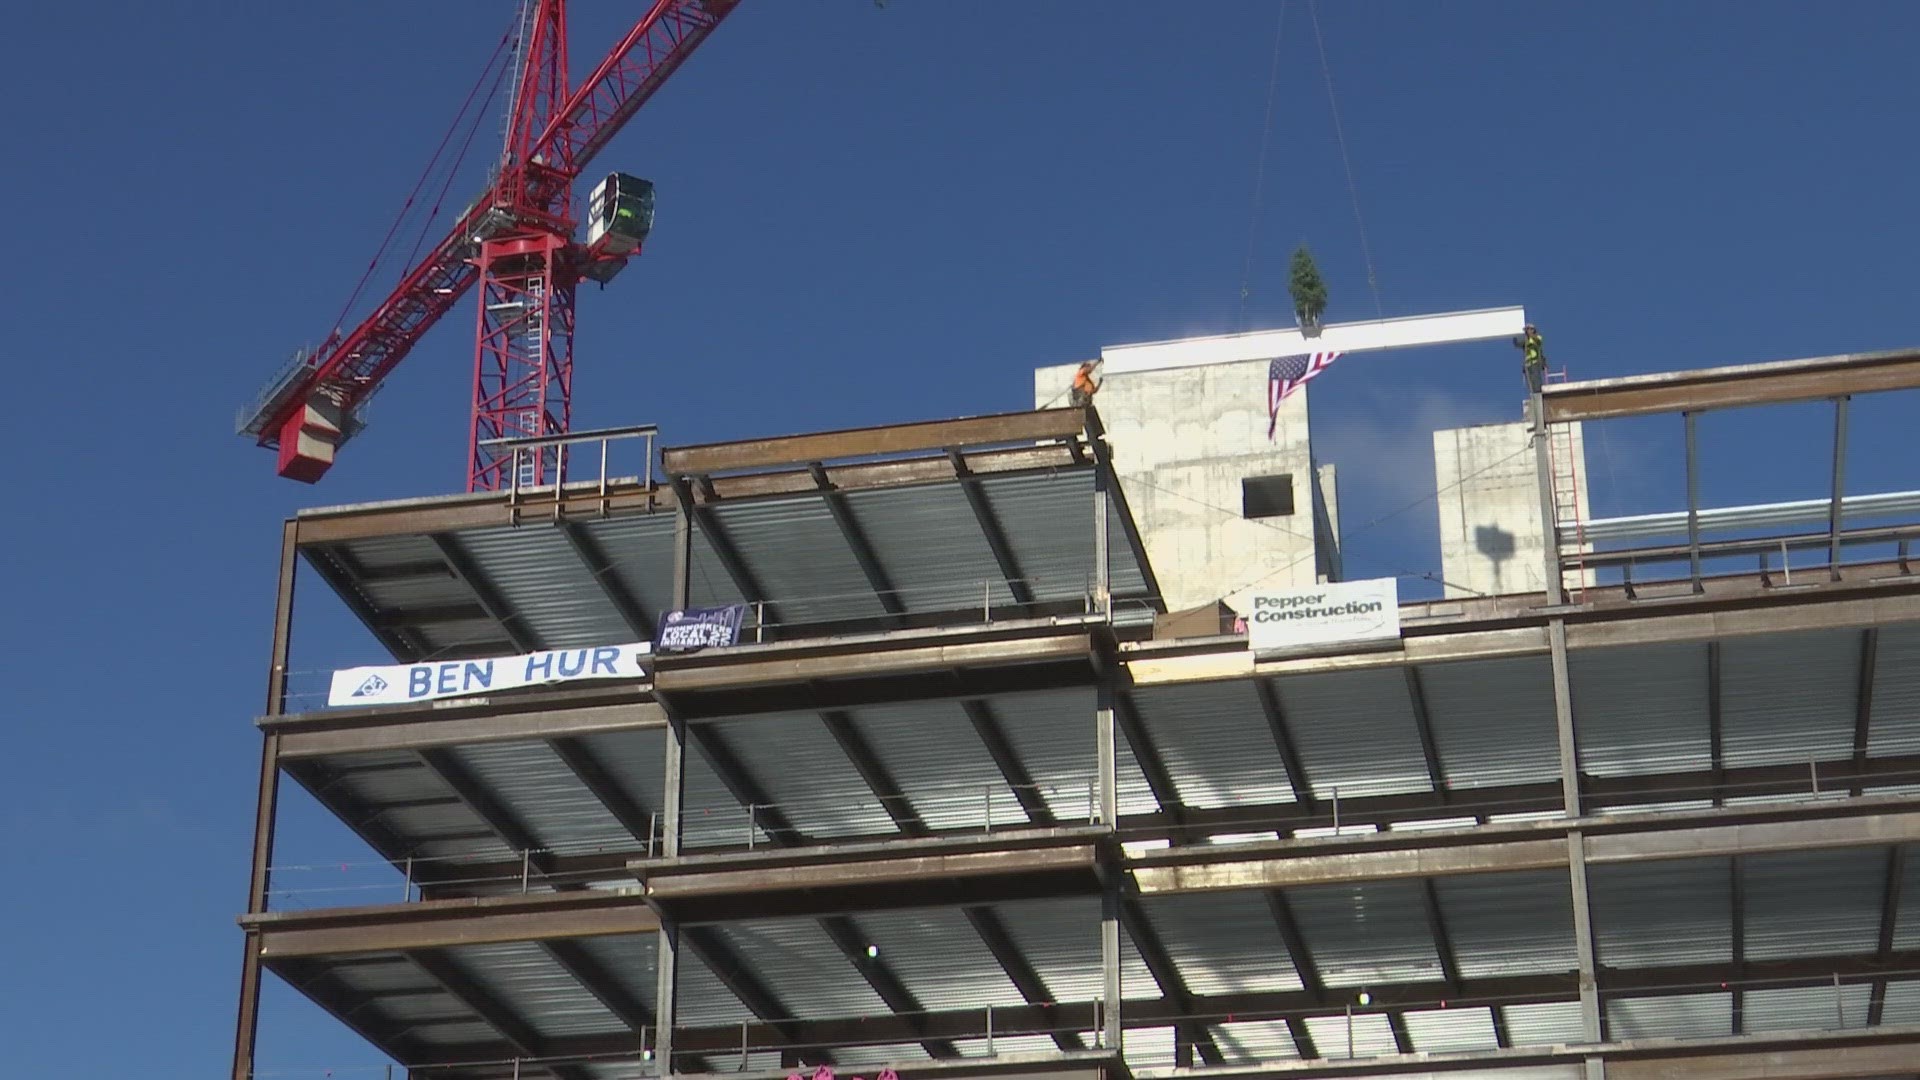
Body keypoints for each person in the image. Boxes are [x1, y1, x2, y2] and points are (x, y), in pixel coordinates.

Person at [1513, 324, 1547, 393]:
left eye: (1528, 329)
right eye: (1527, 330)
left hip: (1535, 362)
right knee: (1530, 382)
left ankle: (1537, 392)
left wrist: (1530, 335)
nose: (1527, 331)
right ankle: (1533, 392)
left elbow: (1538, 341)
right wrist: (1514, 338)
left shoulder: (1537, 337)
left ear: (1533, 330)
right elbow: (1518, 344)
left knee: (1536, 379)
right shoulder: (1526, 341)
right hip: (1528, 364)